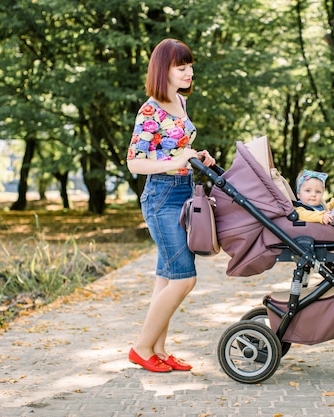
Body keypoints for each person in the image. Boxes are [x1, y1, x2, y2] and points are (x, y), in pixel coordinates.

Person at [126, 39, 215, 373]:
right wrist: (178, 159)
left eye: (190, 66)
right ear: (163, 70)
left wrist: (195, 156)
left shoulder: (179, 100)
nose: (190, 72)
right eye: (182, 67)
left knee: (166, 278)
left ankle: (159, 350)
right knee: (183, 278)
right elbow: (135, 163)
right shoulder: (151, 110)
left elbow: (175, 149)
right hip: (161, 197)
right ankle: (140, 347)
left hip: (182, 192)